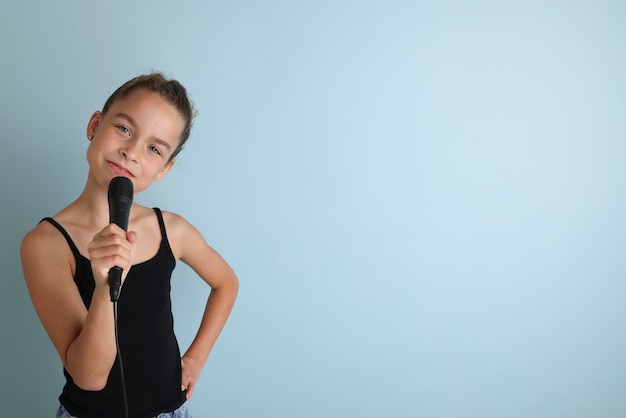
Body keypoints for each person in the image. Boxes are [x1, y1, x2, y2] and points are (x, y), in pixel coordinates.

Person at [20, 72, 239, 418]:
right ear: (95, 124)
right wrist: (106, 284)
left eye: (154, 148)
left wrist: (196, 357)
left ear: (164, 169)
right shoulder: (45, 244)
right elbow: (89, 377)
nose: (131, 152)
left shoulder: (171, 229)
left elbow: (226, 282)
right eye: (123, 128)